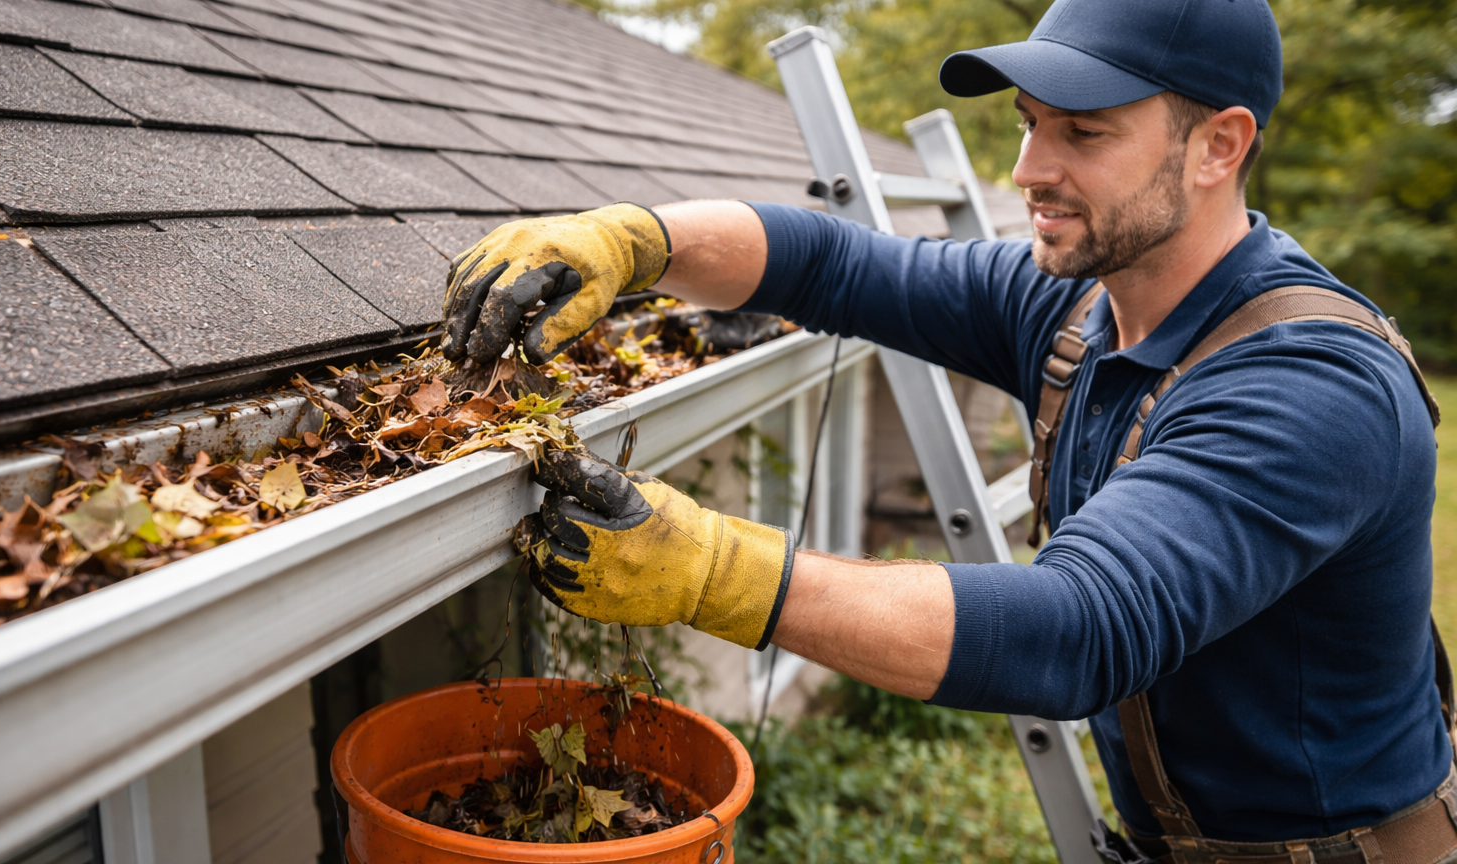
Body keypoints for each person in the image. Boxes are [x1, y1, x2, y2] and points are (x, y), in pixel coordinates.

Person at [439, 0, 1451, 859]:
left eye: (1083, 135)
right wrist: (636, 240)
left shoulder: (1314, 384)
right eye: (1029, 124)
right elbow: (833, 265)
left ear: (1218, 147)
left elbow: (1082, 629)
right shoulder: (1079, 311)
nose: (1029, 170)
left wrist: (713, 570)